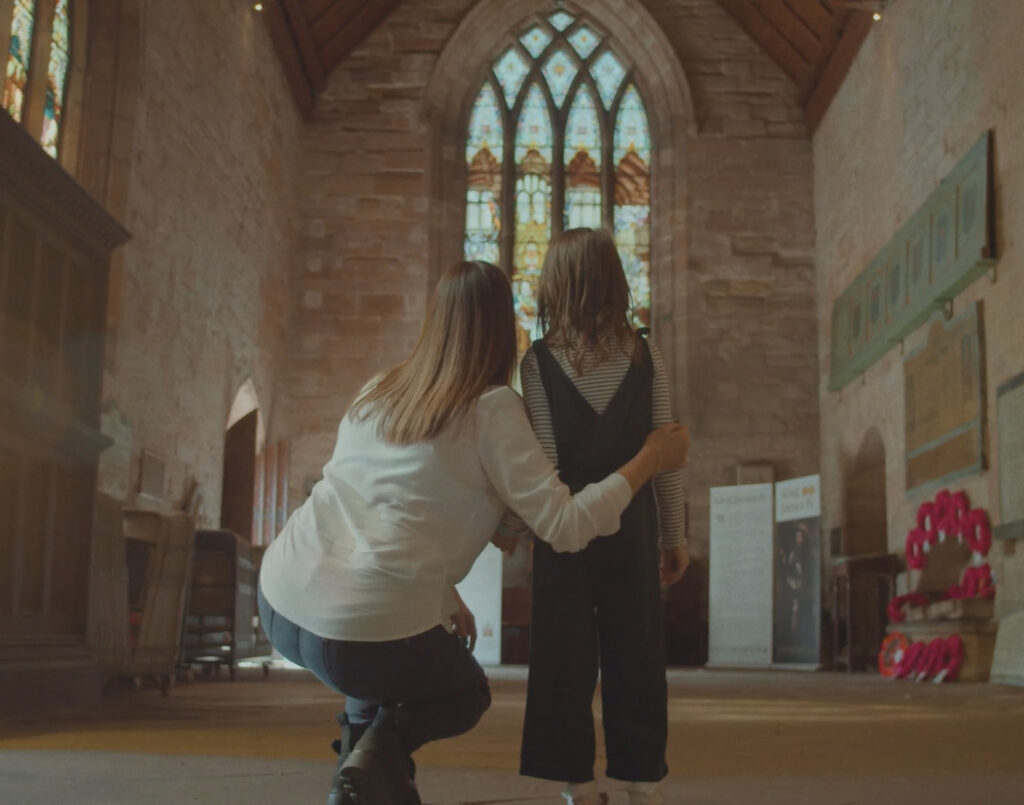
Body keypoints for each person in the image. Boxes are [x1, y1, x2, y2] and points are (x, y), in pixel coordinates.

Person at [256, 260, 690, 805]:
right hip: (358, 630)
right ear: (501, 326)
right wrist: (651, 457)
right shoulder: (493, 408)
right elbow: (564, 525)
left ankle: (364, 778)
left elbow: (378, 513)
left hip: (280, 602)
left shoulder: (378, 390)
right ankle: (372, 759)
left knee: (377, 663)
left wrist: (440, 593)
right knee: (463, 691)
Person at [496, 228, 689, 805]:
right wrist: (674, 536)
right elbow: (667, 451)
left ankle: (577, 783)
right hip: (632, 530)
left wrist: (514, 529)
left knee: (563, 655)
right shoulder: (646, 352)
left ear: (555, 284)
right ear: (614, 278)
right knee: (638, 651)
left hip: (564, 532)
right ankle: (640, 781)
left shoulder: (537, 363)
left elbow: (545, 465)